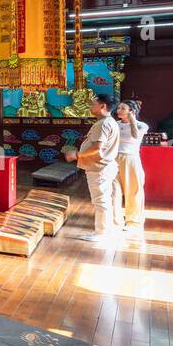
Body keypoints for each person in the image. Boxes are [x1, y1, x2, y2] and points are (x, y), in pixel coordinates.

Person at [64, 93, 121, 240]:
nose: (90, 106)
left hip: (99, 168)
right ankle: (109, 228)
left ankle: (101, 232)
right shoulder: (109, 122)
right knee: (106, 198)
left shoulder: (102, 124)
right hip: (105, 167)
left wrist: (76, 155)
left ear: (103, 106)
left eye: (93, 104)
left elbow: (97, 147)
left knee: (100, 200)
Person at [116, 99, 149, 230]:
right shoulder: (115, 124)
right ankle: (115, 220)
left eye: (123, 108)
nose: (119, 110)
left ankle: (133, 222)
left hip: (130, 158)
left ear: (132, 111)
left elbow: (135, 136)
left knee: (133, 190)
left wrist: (132, 120)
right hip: (114, 158)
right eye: (118, 108)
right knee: (114, 190)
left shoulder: (142, 125)